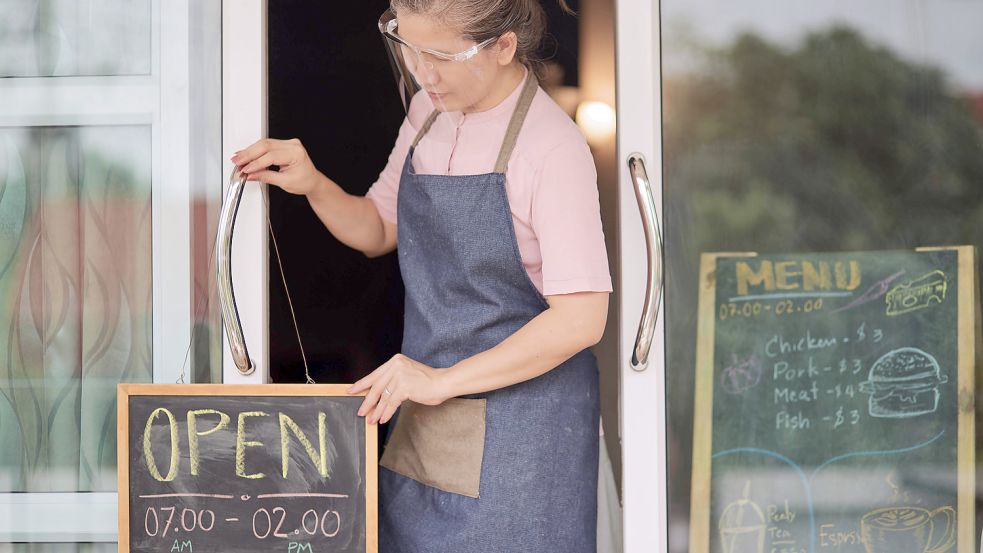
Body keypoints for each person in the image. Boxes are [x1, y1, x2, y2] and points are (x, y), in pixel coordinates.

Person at [231, 1, 612, 550]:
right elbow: (377, 228)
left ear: (503, 47)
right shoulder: (427, 115)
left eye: (440, 55)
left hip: (525, 442)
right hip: (427, 422)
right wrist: (312, 183)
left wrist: (438, 382)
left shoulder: (551, 148)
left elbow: (582, 318)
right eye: (408, 46)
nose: (421, 72)